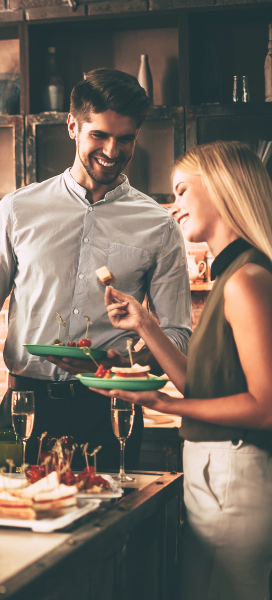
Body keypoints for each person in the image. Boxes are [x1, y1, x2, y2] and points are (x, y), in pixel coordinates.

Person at [0, 69, 192, 470]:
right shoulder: (17, 209)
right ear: (73, 127)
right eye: (99, 135)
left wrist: (121, 362)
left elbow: (176, 333)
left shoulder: (159, 225)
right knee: (15, 524)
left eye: (126, 138)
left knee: (113, 526)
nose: (113, 151)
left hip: (112, 411)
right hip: (25, 407)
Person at [91, 140, 272, 600]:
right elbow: (202, 385)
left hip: (235, 470)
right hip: (219, 469)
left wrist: (164, 403)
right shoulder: (233, 276)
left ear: (222, 188)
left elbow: (266, 406)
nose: (174, 209)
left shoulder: (247, 280)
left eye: (182, 191)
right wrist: (147, 325)